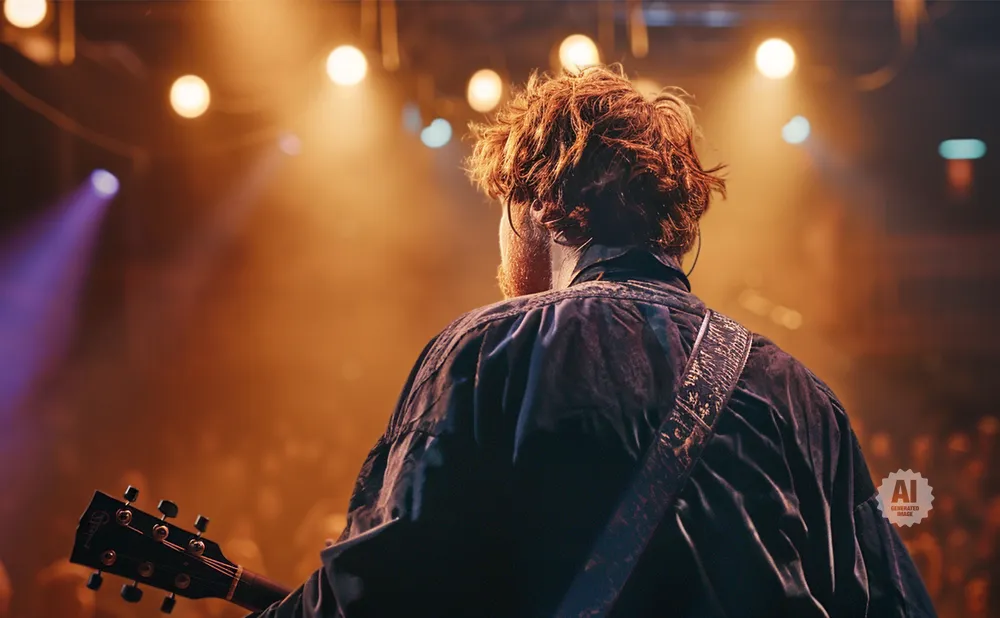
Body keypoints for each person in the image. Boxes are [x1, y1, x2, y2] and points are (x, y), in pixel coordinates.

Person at [251, 65, 935, 617]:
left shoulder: (492, 350)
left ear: (540, 206)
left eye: (500, 212)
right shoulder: (802, 395)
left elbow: (381, 591)